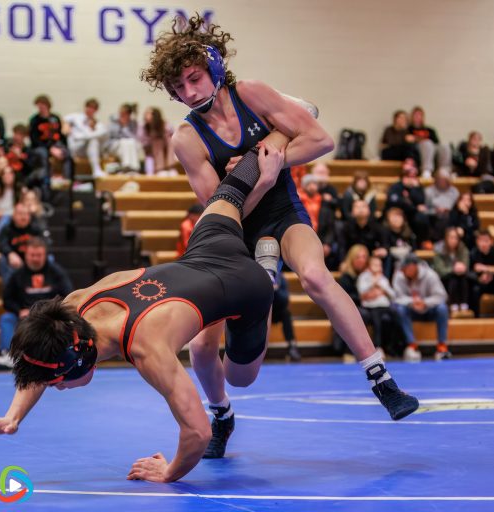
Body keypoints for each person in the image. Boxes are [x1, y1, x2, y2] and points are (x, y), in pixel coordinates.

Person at [0, 139, 419, 483]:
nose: (56, 388)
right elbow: (42, 362)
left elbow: (195, 434)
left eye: (58, 382)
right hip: (206, 249)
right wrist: (14, 415)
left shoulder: (147, 350)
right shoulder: (73, 307)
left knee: (238, 375)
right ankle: (280, 135)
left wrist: (170, 472)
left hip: (244, 290)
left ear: (79, 358)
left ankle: (267, 269)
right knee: (237, 186)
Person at [139, 14, 417, 457]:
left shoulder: (252, 93)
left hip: (285, 213)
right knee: (213, 353)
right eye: (178, 89)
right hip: (234, 235)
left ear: (213, 66)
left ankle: (381, 377)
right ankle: (222, 413)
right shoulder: (188, 138)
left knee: (315, 276)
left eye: (194, 79)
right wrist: (261, 176)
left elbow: (321, 140)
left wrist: (272, 165)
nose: (189, 93)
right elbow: (221, 211)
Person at [0, 237, 72, 369]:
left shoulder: (57, 273)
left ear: (45, 255)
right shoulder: (17, 275)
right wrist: (18, 310)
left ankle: (64, 353)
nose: (35, 258)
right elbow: (7, 299)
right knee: (6, 318)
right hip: (23, 316)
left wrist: (49, 311)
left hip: (50, 316)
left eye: (39, 255)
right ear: (26, 255)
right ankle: (8, 354)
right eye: (32, 255)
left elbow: (68, 295)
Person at [392, 253, 450, 361]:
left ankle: (442, 346)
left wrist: (425, 302)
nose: (405, 271)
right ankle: (412, 345)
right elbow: (396, 297)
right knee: (399, 309)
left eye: (407, 268)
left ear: (414, 266)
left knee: (442, 308)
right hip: (411, 309)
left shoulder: (430, 275)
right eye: (403, 269)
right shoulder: (399, 275)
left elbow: (442, 296)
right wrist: (412, 302)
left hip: (429, 309)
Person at [356, 256, 400, 357]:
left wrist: (382, 288)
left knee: (397, 315)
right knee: (377, 319)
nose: (378, 267)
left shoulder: (383, 279)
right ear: (369, 266)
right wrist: (373, 283)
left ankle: (394, 346)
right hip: (371, 307)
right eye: (375, 265)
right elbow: (362, 292)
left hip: (385, 306)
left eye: (379, 265)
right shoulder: (363, 277)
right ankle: (377, 346)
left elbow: (393, 295)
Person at [29, 95, 71, 190]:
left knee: (67, 153)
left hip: (56, 144)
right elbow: (34, 140)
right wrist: (50, 149)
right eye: (39, 106)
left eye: (43, 106)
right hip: (41, 146)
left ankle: (67, 180)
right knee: (43, 154)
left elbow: (60, 135)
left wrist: (62, 147)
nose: (41, 108)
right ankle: (46, 181)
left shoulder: (55, 118)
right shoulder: (34, 120)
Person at [0, 203, 45, 284]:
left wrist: (33, 256)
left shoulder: (36, 228)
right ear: (14, 216)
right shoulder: (7, 228)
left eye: (26, 214)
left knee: (50, 258)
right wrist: (10, 254)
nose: (23, 217)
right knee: (3, 260)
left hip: (33, 257)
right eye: (20, 214)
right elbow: (1, 244)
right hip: (15, 259)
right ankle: (10, 291)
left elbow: (44, 244)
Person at [432, 227, 473, 317]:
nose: (453, 240)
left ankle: (464, 304)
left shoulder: (463, 249)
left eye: (456, 238)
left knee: (462, 278)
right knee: (453, 278)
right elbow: (440, 270)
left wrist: (462, 268)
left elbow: (466, 265)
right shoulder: (439, 250)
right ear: (446, 238)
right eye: (451, 237)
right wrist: (453, 269)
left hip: (460, 277)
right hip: (444, 278)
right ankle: (453, 304)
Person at [66, 98, 108, 177]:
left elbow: (103, 134)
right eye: (89, 107)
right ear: (85, 107)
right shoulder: (75, 117)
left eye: (93, 109)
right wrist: (67, 128)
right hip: (76, 147)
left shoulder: (97, 124)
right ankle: (96, 170)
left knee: (97, 137)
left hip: (88, 148)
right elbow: (63, 121)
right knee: (93, 139)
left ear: (96, 111)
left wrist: (91, 130)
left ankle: (96, 170)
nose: (90, 110)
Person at [105, 103, 143, 172]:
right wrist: (120, 125)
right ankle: (127, 166)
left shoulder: (133, 123)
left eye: (124, 114)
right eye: (120, 113)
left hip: (127, 147)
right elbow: (111, 136)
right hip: (114, 145)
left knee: (130, 141)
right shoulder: (113, 122)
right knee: (124, 141)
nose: (121, 115)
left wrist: (125, 127)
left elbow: (134, 138)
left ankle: (133, 167)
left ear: (128, 115)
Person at [424, 168, 459, 241]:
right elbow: (424, 209)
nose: (442, 182)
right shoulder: (428, 192)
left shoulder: (454, 192)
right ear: (436, 179)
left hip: (450, 217)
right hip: (433, 217)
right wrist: (435, 211)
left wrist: (448, 210)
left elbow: (457, 208)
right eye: (440, 179)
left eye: (445, 180)